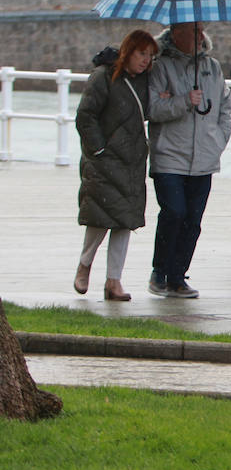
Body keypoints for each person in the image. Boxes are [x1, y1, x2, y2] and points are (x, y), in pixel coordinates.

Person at [147, 21, 231, 299]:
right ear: (176, 34)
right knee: (174, 212)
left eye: (201, 31)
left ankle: (177, 276)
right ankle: (159, 271)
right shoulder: (160, 66)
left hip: (204, 158)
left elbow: (224, 106)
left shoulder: (213, 67)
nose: (201, 36)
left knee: (193, 220)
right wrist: (184, 100)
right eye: (194, 31)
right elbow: (153, 108)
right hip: (170, 156)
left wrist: (218, 140)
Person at [73, 30, 157, 301]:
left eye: (150, 55)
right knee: (100, 218)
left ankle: (114, 281)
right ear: (128, 51)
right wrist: (98, 150)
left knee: (124, 222)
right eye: (141, 53)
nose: (145, 60)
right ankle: (85, 263)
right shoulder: (103, 77)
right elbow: (86, 116)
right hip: (105, 160)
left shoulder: (146, 81)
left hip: (132, 161)